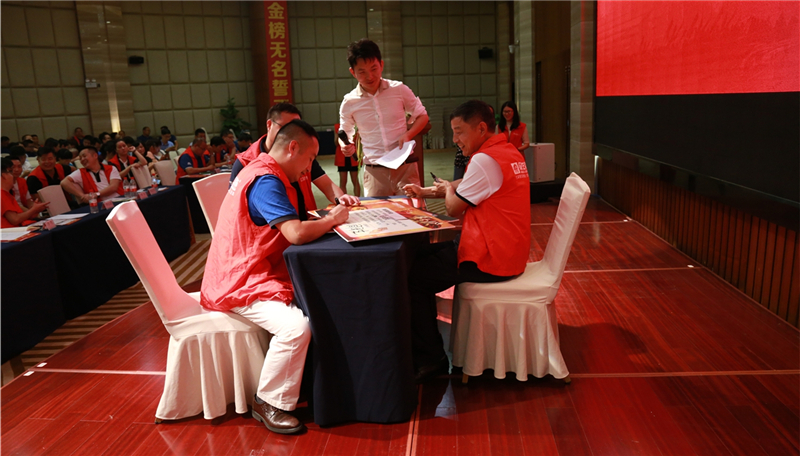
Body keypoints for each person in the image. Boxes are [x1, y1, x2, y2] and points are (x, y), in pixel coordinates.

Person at [201, 120, 353, 435]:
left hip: (254, 268)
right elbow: (295, 233)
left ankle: (309, 384)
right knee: (296, 328)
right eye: (310, 159)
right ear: (293, 147)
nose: (309, 168)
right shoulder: (266, 181)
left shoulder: (265, 170)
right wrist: (333, 219)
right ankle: (268, 401)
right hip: (240, 278)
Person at [402, 100, 531, 382]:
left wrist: (447, 191)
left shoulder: (484, 160)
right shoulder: (506, 151)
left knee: (413, 278)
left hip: (491, 257)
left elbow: (453, 207)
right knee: (418, 256)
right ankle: (425, 345)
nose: (455, 139)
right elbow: (465, 186)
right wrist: (426, 191)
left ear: (481, 128)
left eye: (459, 132)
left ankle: (431, 359)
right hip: (508, 249)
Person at [339, 39, 429, 197]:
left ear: (381, 64)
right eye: (362, 72)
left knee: (414, 211)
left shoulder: (399, 90)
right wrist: (345, 146)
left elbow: (422, 116)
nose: (370, 76)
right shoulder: (350, 102)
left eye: (374, 69)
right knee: (377, 212)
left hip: (405, 167)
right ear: (352, 72)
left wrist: (408, 134)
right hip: (375, 172)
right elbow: (344, 132)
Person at [232, 103, 359, 209]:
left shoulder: (303, 156)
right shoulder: (245, 162)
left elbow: (327, 185)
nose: (291, 134)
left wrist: (341, 198)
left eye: (296, 129)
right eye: (285, 128)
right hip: (278, 229)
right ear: (269, 125)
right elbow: (236, 207)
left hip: (308, 225)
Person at [1, 158, 48, 228]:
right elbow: (15, 219)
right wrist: (33, 210)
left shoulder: (8, 193)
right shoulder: (2, 194)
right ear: (3, 176)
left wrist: (35, 209)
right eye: (10, 172)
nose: (13, 175)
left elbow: (21, 214)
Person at [333, 122, 360, 196]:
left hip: (353, 156)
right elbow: (336, 143)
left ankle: (358, 199)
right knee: (344, 182)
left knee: (354, 181)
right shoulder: (337, 126)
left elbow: (357, 142)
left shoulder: (355, 127)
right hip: (342, 157)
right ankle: (345, 199)